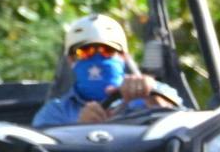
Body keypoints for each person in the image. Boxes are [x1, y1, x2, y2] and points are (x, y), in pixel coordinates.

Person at [31, 14, 184, 127]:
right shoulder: (55, 113)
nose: (97, 57)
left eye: (107, 50)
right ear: (71, 59)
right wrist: (79, 129)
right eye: (85, 51)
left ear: (123, 56)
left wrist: (157, 102)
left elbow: (189, 128)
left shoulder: (155, 93)